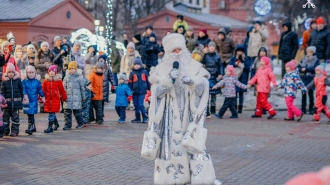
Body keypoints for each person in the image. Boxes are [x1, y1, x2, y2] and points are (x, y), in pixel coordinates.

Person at [146, 33, 221, 185]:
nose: (178, 53)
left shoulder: (194, 67)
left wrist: (194, 82)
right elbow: (156, 94)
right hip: (169, 119)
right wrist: (168, 81)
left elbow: (203, 88)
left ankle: (201, 178)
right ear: (168, 53)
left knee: (193, 148)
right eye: (174, 50)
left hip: (189, 117)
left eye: (180, 49)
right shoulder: (160, 70)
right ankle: (170, 178)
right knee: (169, 147)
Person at [42, 65, 67, 133]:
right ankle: (56, 124)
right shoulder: (46, 81)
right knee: (51, 113)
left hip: (55, 100)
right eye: (50, 71)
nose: (51, 72)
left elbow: (62, 90)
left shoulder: (58, 81)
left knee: (51, 113)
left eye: (53, 71)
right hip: (47, 100)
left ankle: (50, 127)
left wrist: (64, 97)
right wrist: (40, 97)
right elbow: (43, 90)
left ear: (55, 72)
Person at [201, 41, 223, 116]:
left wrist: (221, 74)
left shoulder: (218, 56)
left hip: (215, 76)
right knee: (206, 94)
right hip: (207, 76)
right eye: (211, 46)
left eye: (213, 46)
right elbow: (201, 63)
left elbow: (221, 66)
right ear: (208, 47)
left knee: (214, 94)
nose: (212, 47)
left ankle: (213, 110)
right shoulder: (206, 55)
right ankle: (207, 111)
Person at [22, 65, 45, 135]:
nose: (31, 74)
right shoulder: (24, 81)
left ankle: (31, 126)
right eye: (29, 72)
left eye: (32, 72)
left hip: (34, 100)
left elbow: (40, 90)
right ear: (26, 73)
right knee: (29, 114)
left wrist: (42, 96)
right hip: (27, 100)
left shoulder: (37, 82)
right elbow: (23, 89)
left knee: (31, 114)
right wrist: (24, 96)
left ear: (35, 73)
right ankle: (32, 126)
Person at [1, 63, 23, 137]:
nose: (11, 74)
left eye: (12, 72)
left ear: (14, 72)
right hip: (7, 104)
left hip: (16, 103)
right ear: (7, 73)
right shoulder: (4, 82)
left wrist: (21, 100)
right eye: (9, 72)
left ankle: (14, 131)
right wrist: (3, 102)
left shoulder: (18, 80)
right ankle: (5, 131)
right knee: (5, 118)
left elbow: (21, 90)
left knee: (15, 118)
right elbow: (2, 92)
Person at [62, 61, 85, 130]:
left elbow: (82, 88)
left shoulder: (79, 78)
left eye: (73, 68)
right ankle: (68, 125)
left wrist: (83, 97)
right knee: (67, 113)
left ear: (76, 69)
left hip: (76, 98)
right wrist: (63, 96)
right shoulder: (66, 77)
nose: (71, 70)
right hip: (68, 98)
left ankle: (81, 122)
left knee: (77, 112)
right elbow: (63, 87)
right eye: (70, 68)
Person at [229, 44, 250, 113]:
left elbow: (248, 68)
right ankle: (235, 107)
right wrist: (235, 63)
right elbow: (230, 67)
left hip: (243, 78)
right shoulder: (233, 58)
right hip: (235, 77)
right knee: (235, 92)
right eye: (238, 51)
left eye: (241, 51)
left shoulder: (245, 58)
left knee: (241, 93)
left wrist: (242, 62)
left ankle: (240, 107)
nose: (239, 53)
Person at [298, 46, 319, 114]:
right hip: (304, 78)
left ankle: (311, 108)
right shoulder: (303, 59)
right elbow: (299, 67)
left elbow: (315, 69)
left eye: (310, 52)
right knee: (303, 93)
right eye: (308, 52)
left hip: (311, 78)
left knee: (310, 94)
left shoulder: (316, 60)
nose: (309, 53)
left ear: (313, 52)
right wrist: (301, 69)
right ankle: (303, 108)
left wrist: (306, 69)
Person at [128, 57, 150, 123]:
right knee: (136, 105)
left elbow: (148, 81)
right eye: (135, 64)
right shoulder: (132, 73)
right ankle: (137, 118)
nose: (136, 66)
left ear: (140, 65)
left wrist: (149, 89)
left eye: (138, 64)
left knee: (140, 104)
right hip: (135, 91)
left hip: (142, 91)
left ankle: (145, 117)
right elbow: (130, 83)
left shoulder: (144, 72)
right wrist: (129, 91)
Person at [99, 55, 116, 119]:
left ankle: (101, 114)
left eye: (102, 59)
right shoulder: (96, 67)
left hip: (105, 87)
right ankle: (99, 114)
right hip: (98, 87)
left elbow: (111, 77)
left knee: (102, 102)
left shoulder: (107, 68)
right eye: (100, 58)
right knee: (98, 102)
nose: (101, 60)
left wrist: (113, 84)